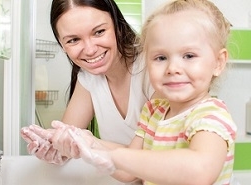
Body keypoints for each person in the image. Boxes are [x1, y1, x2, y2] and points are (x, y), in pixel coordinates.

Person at [68, 0, 237, 184]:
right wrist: (88, 143)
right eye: (161, 57)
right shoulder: (153, 112)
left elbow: (200, 171)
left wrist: (115, 157)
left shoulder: (210, 115)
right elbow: (129, 173)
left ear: (219, 62)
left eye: (189, 56)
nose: (173, 68)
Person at [21, 0, 153, 166]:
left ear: (117, 25)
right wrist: (55, 148)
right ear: (62, 45)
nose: (90, 50)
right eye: (73, 40)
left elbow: (157, 160)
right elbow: (68, 140)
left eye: (99, 32)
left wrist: (91, 143)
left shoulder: (154, 69)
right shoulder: (88, 79)